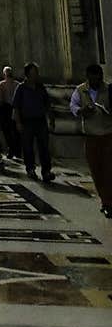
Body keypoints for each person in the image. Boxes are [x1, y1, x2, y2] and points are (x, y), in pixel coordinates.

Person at [70, 64, 112, 218]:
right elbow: (73, 106)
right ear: (88, 77)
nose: (96, 80)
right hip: (91, 135)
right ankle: (105, 199)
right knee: (96, 170)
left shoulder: (109, 90)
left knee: (108, 170)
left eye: (98, 77)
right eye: (92, 78)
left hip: (108, 134)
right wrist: (81, 111)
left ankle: (108, 202)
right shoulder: (80, 90)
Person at [11, 63, 55, 184]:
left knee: (44, 147)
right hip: (27, 121)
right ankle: (30, 168)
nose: (35, 76)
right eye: (32, 74)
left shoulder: (41, 87)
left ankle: (46, 171)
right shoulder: (21, 88)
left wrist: (51, 119)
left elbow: (47, 104)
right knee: (28, 146)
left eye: (36, 73)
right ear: (27, 75)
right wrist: (18, 122)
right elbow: (16, 107)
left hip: (40, 120)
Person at [0, 65, 22, 159]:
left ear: (4, 74)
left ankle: (11, 149)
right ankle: (17, 150)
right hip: (14, 107)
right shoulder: (17, 84)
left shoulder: (1, 84)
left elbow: (0, 99)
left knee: (8, 131)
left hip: (6, 108)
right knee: (15, 131)